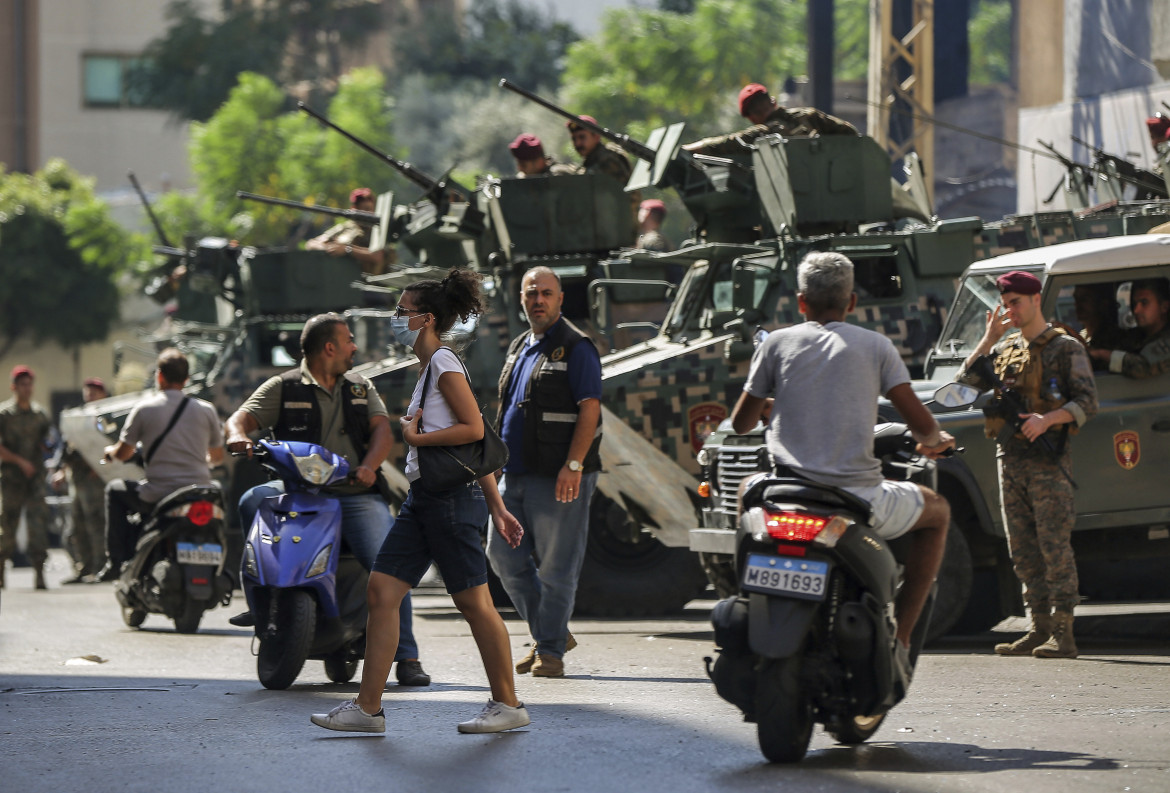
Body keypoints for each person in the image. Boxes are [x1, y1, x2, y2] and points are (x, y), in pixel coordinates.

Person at [310, 269, 529, 734]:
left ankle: (508, 704)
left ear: (426, 319)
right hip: (425, 499)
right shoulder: (432, 367)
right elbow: (476, 448)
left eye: (402, 311)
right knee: (381, 592)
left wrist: (413, 435)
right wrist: (497, 505)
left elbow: (472, 430)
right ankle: (368, 709)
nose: (396, 318)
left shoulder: (445, 364)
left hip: (448, 501)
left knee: (475, 604)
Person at [729, 252, 954, 676]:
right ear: (851, 303)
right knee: (938, 512)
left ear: (801, 302)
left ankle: (747, 595)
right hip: (857, 497)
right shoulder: (876, 346)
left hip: (785, 492)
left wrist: (768, 408)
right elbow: (919, 421)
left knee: (746, 490)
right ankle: (902, 640)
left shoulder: (776, 343)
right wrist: (935, 439)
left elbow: (741, 422)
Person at [225, 313, 430, 687]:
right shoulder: (282, 387)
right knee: (251, 501)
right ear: (329, 347)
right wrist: (238, 436)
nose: (355, 347)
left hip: (354, 492)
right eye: (349, 341)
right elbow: (239, 419)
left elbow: (382, 431)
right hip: (296, 491)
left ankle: (408, 656)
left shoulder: (359, 385)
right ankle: (261, 599)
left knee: (389, 566)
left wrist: (369, 467)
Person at [956, 270, 1098, 659]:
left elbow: (1087, 402)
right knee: (1022, 549)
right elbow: (964, 384)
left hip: (1047, 462)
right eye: (1005, 305)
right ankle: (1038, 627)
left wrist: (1047, 420)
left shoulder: (1064, 347)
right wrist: (988, 339)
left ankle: (1064, 633)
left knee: (1054, 546)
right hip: (1011, 459)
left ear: (1036, 300)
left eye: (1015, 303)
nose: (1010, 311)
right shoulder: (1004, 349)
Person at [486, 266, 603, 679]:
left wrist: (573, 466)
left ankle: (550, 652)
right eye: (532, 293)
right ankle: (549, 631)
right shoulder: (521, 345)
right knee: (501, 557)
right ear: (522, 298)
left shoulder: (577, 347)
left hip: (560, 477)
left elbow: (590, 407)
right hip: (514, 475)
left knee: (556, 568)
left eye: (546, 293)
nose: (538, 299)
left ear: (559, 299)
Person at [97, 349, 225, 582]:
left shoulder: (145, 409)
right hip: (197, 492)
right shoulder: (206, 410)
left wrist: (110, 452)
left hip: (158, 494)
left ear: (159, 377)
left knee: (114, 490)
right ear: (186, 379)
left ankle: (116, 561)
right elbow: (217, 457)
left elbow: (124, 453)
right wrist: (198, 461)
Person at [683, 82, 858, 157]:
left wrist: (685, 149)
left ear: (752, 118)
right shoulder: (811, 116)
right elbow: (851, 135)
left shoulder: (762, 134)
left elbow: (725, 143)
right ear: (773, 101)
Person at [0, 366, 54, 590]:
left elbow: (49, 441)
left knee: (37, 524)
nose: (27, 389)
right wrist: (20, 462)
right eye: (22, 384)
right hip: (12, 478)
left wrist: (48, 447)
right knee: (7, 524)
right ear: (14, 387)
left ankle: (40, 572)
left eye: (30, 384)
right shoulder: (4, 415)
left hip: (35, 479)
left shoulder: (40, 414)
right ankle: (1, 570)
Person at [55, 377, 111, 583]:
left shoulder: (107, 417)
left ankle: (100, 567)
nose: (90, 396)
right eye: (87, 392)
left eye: (94, 392)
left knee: (96, 525)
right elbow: (67, 448)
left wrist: (102, 466)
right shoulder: (78, 418)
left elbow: (114, 446)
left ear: (103, 394)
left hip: (95, 480)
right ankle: (84, 566)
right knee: (77, 526)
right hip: (77, 480)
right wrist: (62, 470)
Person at [1088, 277, 1170, 378]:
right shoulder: (1134, 336)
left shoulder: (1166, 342)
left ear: (1164, 307)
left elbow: (1143, 367)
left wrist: (1101, 354)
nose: (1136, 310)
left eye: (1144, 303)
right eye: (1135, 303)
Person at [305, 187, 391, 276]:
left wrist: (347, 250)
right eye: (364, 209)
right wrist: (330, 248)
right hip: (341, 277)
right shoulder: (345, 228)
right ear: (354, 209)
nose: (368, 213)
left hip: (368, 282)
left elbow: (377, 256)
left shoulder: (378, 231)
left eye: (370, 209)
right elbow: (311, 244)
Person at [1072, 283, 1129, 365]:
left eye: (1084, 299)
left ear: (1103, 304)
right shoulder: (1083, 336)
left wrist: (1099, 354)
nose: (1077, 305)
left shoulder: (1115, 339)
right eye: (1075, 299)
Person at [508, 133, 581, 178]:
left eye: (524, 165)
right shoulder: (522, 177)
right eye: (519, 164)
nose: (520, 169)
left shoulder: (559, 176)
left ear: (539, 162)